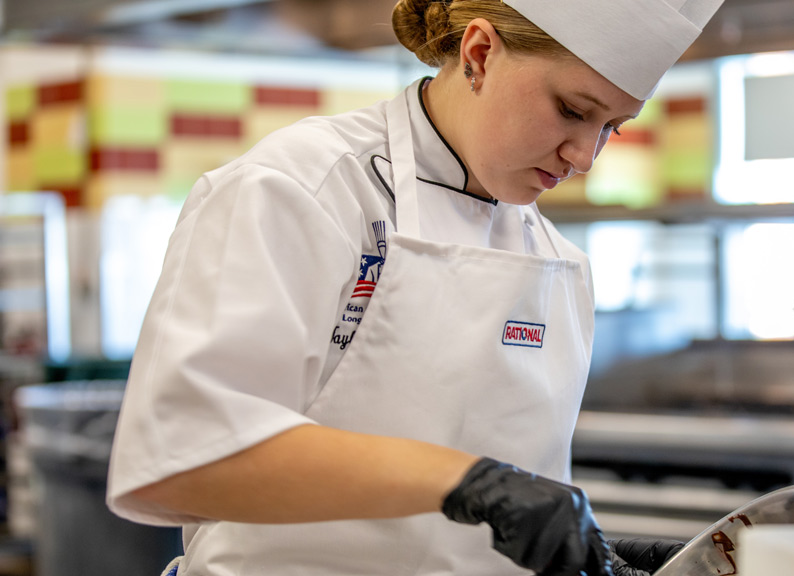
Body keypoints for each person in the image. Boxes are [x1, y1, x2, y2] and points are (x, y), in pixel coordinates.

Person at [105, 0, 724, 575]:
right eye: (573, 110)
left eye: (612, 126)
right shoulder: (300, 190)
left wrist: (589, 551)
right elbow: (181, 458)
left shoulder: (558, 264)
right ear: (479, 54)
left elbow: (476, 526)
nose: (586, 156)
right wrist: (467, 483)